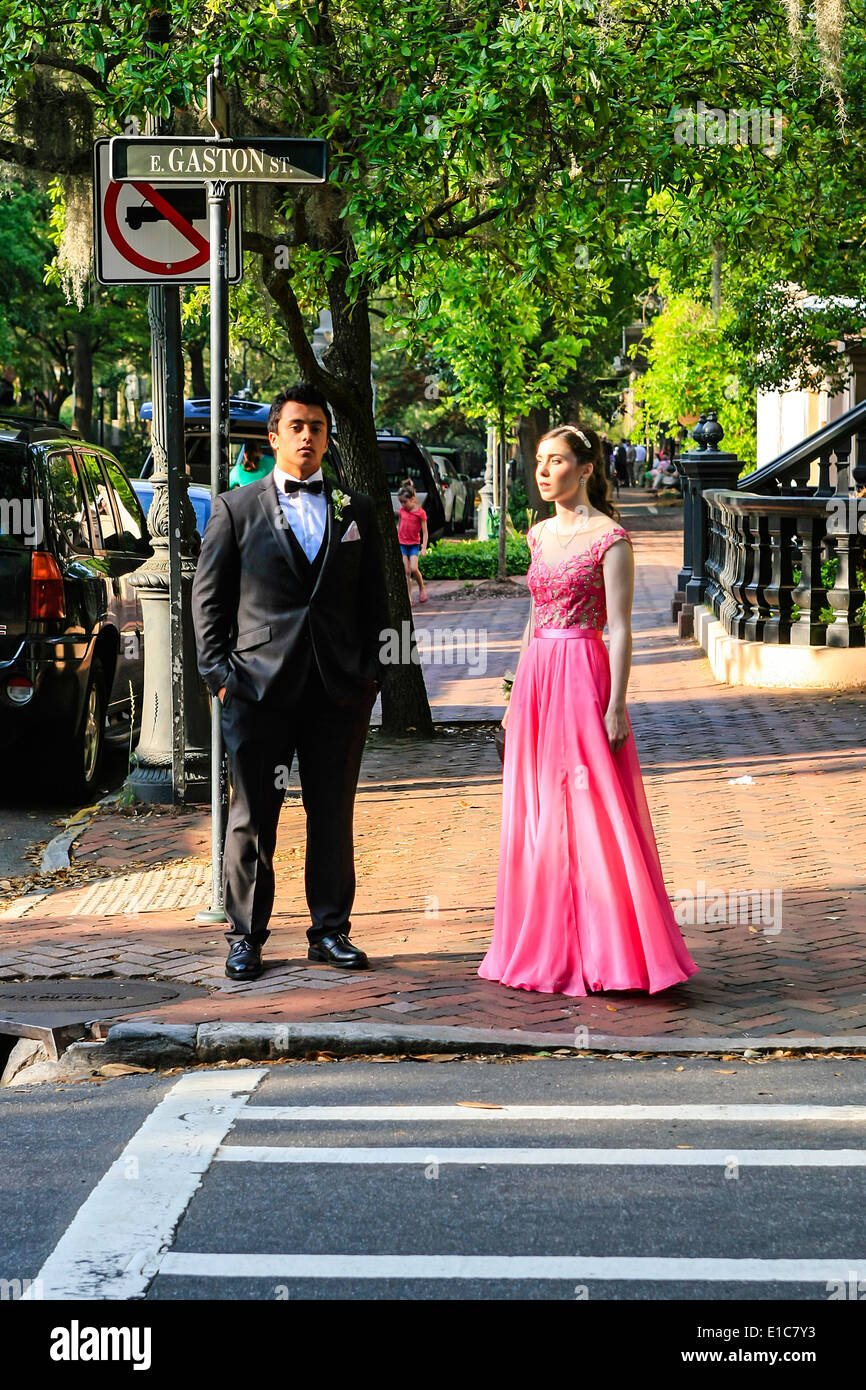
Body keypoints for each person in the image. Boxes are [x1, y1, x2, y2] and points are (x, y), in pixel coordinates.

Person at [478, 423, 698, 997]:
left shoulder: (612, 539)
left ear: (585, 468)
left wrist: (617, 702)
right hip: (537, 680)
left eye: (556, 461)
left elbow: (621, 629)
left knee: (593, 806)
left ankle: (614, 948)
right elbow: (533, 617)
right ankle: (545, 941)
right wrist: (511, 693)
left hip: (583, 672)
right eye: (540, 462)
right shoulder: (535, 535)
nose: (544, 471)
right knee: (539, 808)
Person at [192, 383, 389, 981]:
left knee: (333, 812)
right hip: (256, 690)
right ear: (274, 436)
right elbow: (208, 605)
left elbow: (377, 602)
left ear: (329, 439)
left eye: (318, 428)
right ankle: (247, 936)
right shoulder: (235, 509)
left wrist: (372, 677)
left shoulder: (356, 511)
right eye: (297, 426)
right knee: (253, 814)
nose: (308, 436)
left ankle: (329, 931)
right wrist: (220, 677)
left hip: (337, 692)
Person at [397, 484, 428, 604]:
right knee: (406, 571)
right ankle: (409, 597)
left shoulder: (420, 513)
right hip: (402, 544)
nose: (403, 505)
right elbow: (399, 525)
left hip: (414, 544)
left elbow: (425, 532)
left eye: (405, 502)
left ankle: (422, 588)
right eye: (401, 502)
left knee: (414, 568)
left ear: (412, 499)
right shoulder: (402, 511)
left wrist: (423, 547)